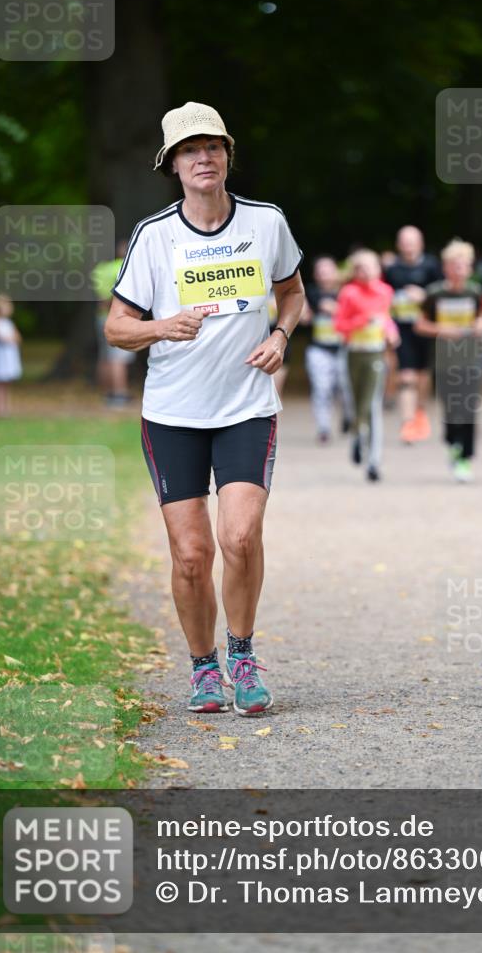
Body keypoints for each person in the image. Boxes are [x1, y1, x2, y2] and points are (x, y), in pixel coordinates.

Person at [105, 102, 304, 716]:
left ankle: (241, 655)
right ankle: (202, 667)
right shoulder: (155, 235)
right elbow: (116, 327)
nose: (203, 158)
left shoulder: (266, 222)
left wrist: (280, 336)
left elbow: (292, 293)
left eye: (213, 146)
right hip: (173, 414)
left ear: (227, 155)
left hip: (246, 406)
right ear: (173, 164)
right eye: (190, 150)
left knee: (240, 536)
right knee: (191, 555)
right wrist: (161, 327)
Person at [416, 240, 482, 483]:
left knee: (468, 408)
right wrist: (442, 330)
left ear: (470, 268)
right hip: (443, 361)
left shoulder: (475, 292)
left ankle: (465, 456)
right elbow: (420, 324)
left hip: (470, 359)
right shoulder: (435, 293)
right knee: (450, 408)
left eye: (463, 265)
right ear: (446, 268)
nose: (459, 270)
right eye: (454, 265)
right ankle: (452, 441)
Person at [334, 249, 399, 482]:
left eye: (370, 266)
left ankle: (374, 461)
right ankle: (357, 436)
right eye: (361, 268)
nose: (366, 272)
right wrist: (362, 321)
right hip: (353, 353)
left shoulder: (385, 291)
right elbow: (339, 325)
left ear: (378, 269)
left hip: (375, 354)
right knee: (354, 403)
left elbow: (386, 318)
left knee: (372, 406)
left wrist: (392, 332)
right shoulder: (348, 293)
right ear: (355, 272)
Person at [383, 225, 440, 443]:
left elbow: (442, 294)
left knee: (422, 376)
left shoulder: (432, 266)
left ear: (420, 244)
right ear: (398, 245)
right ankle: (407, 424)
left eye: (412, 242)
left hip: (425, 329)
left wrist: (424, 296)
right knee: (406, 376)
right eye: (404, 242)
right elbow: (383, 294)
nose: (408, 246)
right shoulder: (392, 269)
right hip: (402, 329)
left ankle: (419, 413)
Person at [302, 255, 353, 442]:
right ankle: (323, 428)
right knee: (321, 388)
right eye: (320, 272)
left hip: (344, 348)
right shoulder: (310, 292)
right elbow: (304, 317)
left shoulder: (347, 292)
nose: (324, 275)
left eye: (328, 271)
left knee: (346, 389)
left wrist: (338, 310)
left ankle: (348, 416)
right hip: (319, 349)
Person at [92, 240, 135, 407]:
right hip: (118, 316)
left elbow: (100, 295)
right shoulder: (124, 267)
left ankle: (107, 393)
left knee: (105, 357)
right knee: (119, 358)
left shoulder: (102, 269)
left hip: (101, 316)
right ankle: (120, 394)